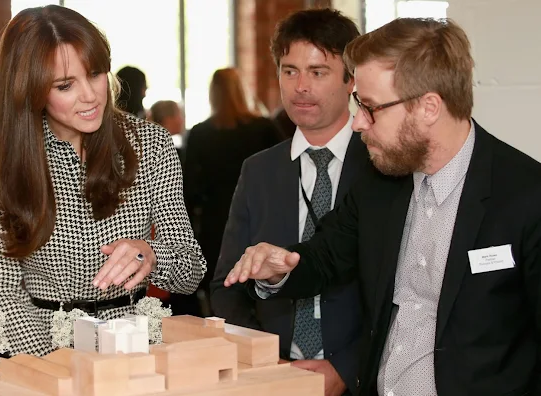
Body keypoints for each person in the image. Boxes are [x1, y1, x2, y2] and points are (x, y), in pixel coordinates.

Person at [225, 18, 541, 396]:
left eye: (370, 107)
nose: (358, 123)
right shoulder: (381, 184)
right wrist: (281, 267)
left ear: (428, 107)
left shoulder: (525, 195)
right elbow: (325, 256)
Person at [0, 5, 206, 357]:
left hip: (135, 344)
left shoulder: (151, 145)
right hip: (41, 347)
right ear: (29, 90)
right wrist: (54, 367)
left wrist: (151, 254)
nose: (91, 95)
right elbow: (5, 288)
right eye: (66, 85)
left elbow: (191, 270)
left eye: (95, 74)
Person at [211, 9, 367, 396]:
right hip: (272, 376)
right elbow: (227, 285)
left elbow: (407, 293)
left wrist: (347, 368)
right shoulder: (259, 171)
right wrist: (263, 359)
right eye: (289, 70)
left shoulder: (382, 167)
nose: (300, 87)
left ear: (351, 80)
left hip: (362, 377)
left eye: (318, 72)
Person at [182, 67, 281, 315]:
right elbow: (285, 172)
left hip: (216, 223)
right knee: (261, 287)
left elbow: (189, 189)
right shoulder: (264, 128)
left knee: (223, 292)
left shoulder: (200, 133)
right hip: (260, 217)